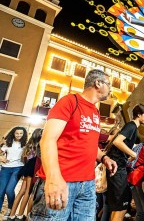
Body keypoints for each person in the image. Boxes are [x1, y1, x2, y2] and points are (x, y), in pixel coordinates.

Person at [28, 69, 118, 220]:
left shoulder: (95, 112)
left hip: (87, 185)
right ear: (98, 83)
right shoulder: (69, 101)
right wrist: (53, 178)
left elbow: (89, 143)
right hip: (62, 181)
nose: (110, 90)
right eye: (109, 85)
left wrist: (104, 158)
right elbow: (47, 139)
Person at [106, 103, 144, 221]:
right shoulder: (131, 126)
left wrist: (128, 156)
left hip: (118, 168)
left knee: (118, 207)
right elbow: (117, 141)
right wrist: (133, 154)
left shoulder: (132, 127)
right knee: (121, 206)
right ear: (139, 115)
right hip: (117, 169)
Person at [7, 128, 43, 221]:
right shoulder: (40, 145)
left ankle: (12, 215)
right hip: (34, 168)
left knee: (21, 192)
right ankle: (24, 216)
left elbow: (24, 157)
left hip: (27, 166)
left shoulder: (29, 145)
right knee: (30, 193)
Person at [0, 126, 28, 220]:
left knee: (9, 190)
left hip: (18, 168)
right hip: (5, 168)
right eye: (17, 133)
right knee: (1, 192)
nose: (19, 135)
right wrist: (1, 158)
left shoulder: (25, 144)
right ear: (13, 133)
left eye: (21, 133)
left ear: (23, 134)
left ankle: (10, 209)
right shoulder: (7, 143)